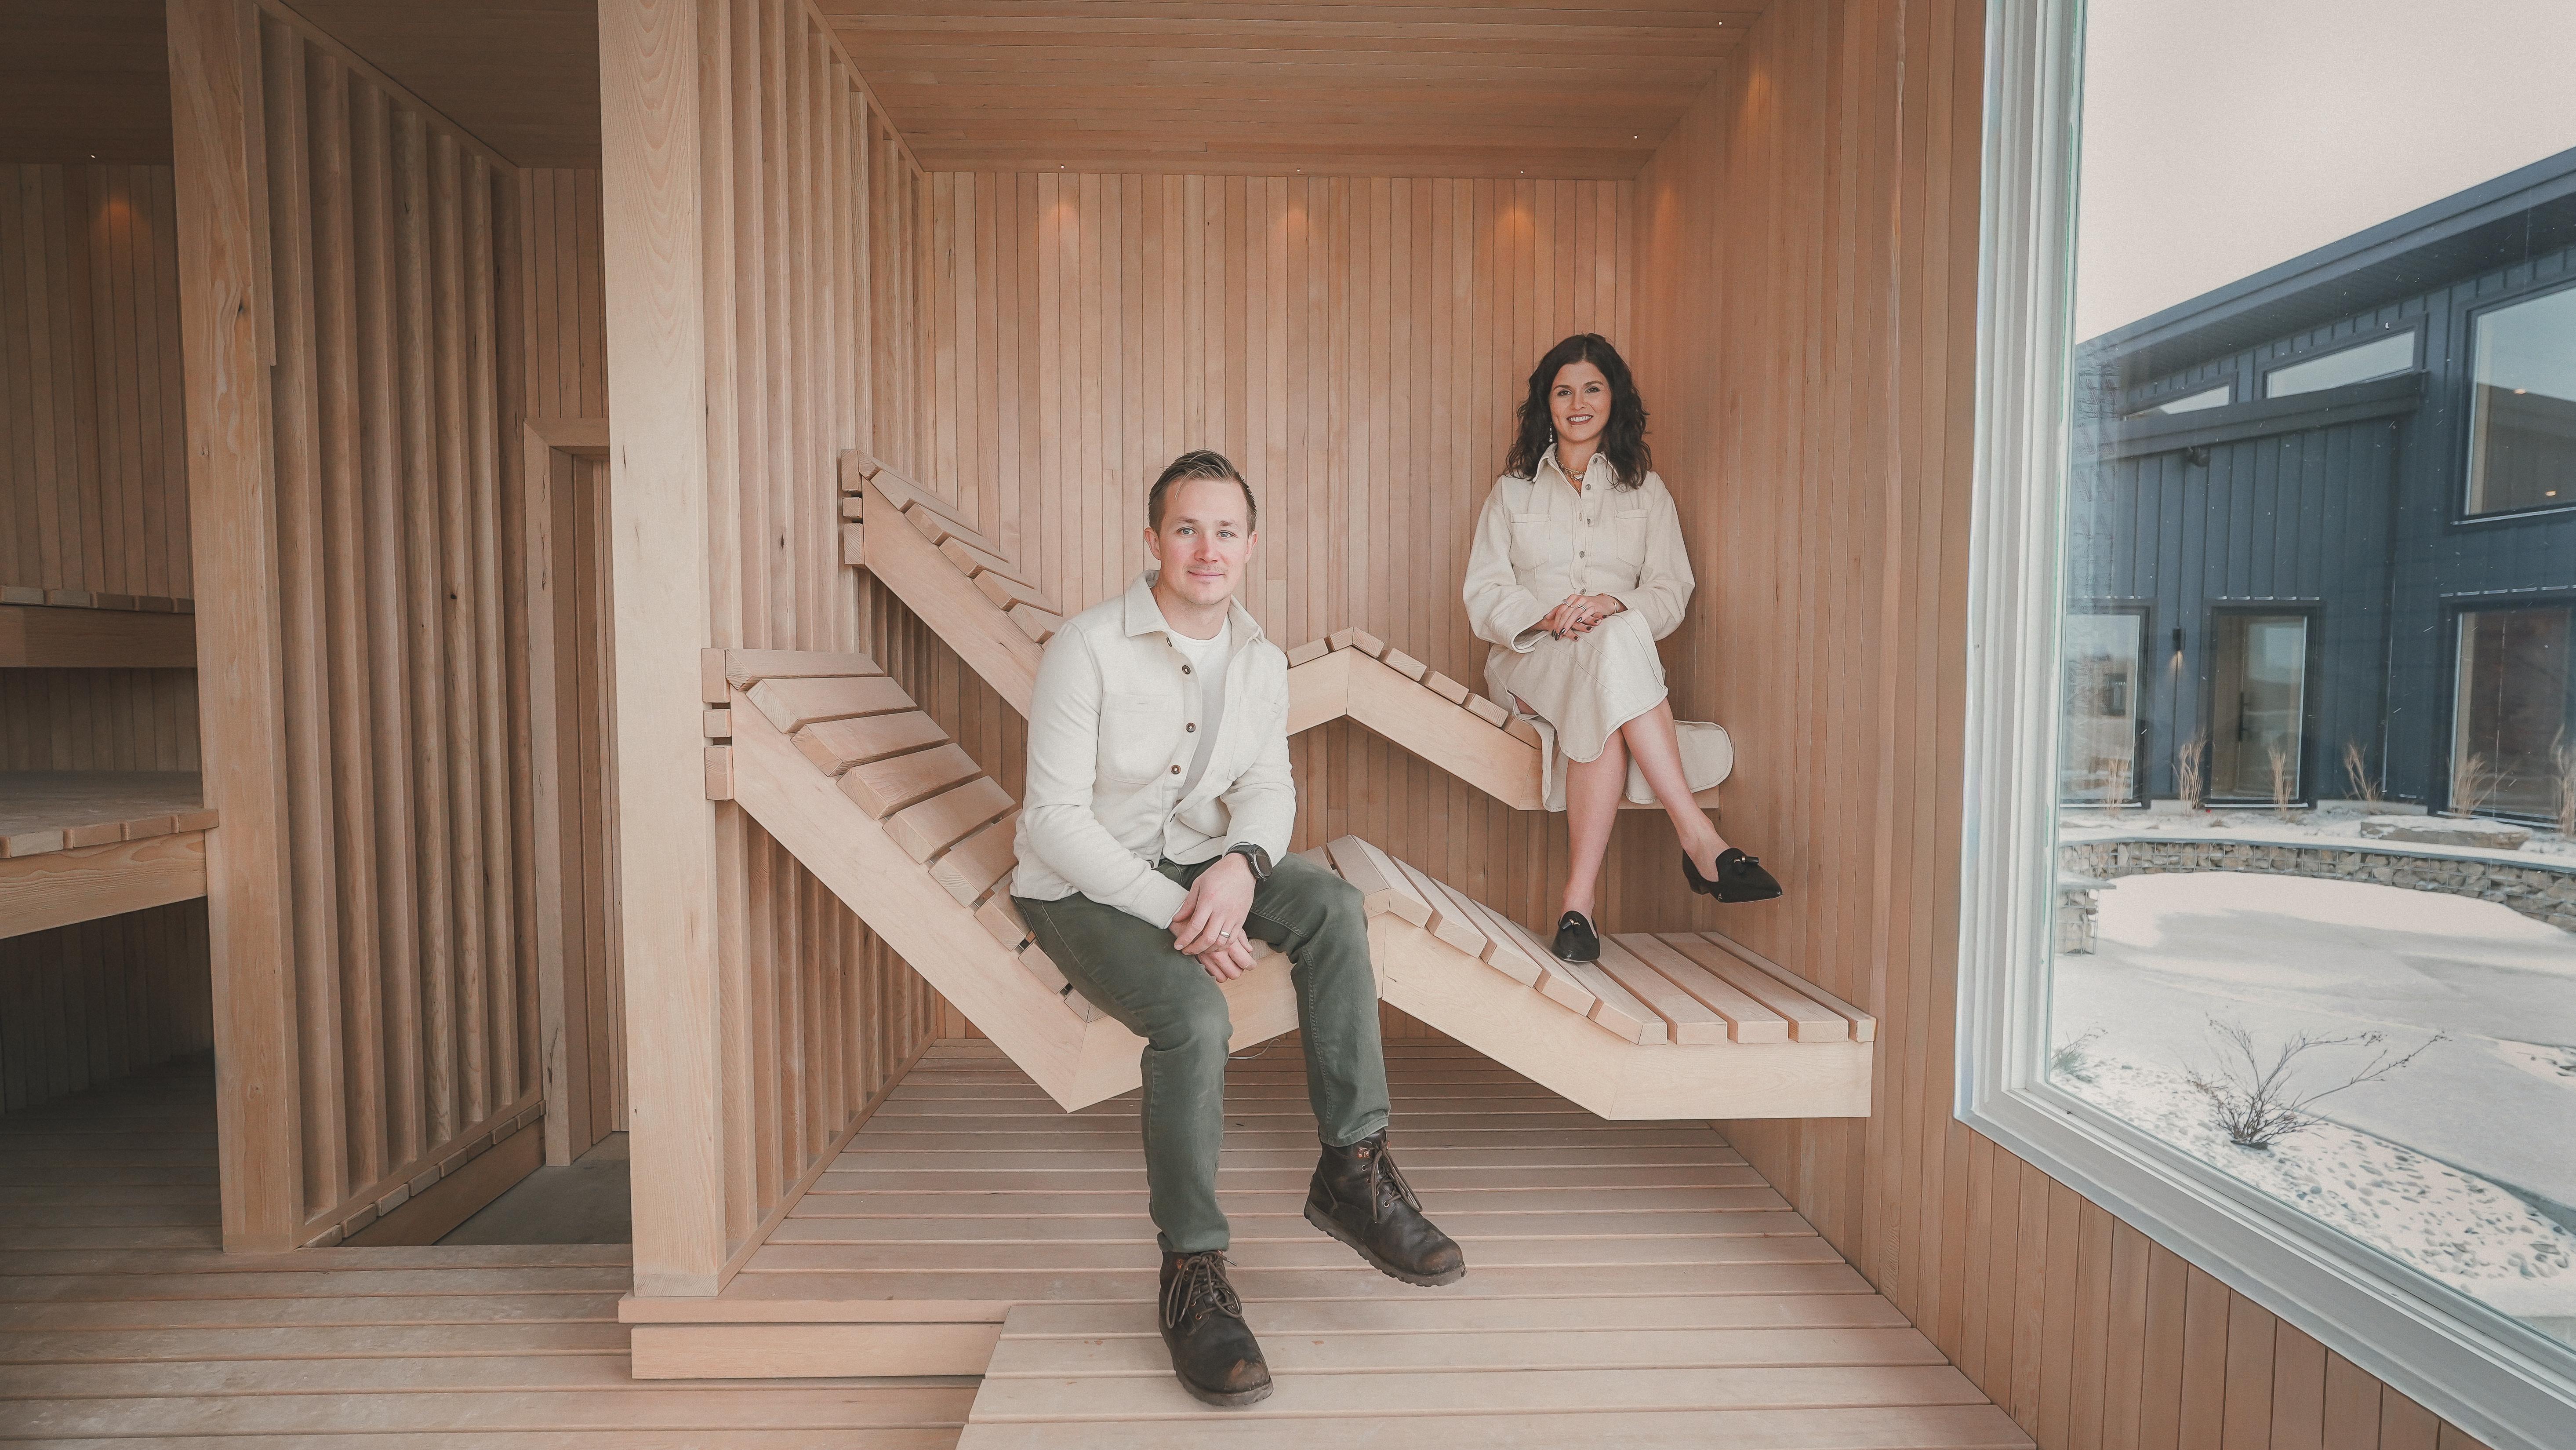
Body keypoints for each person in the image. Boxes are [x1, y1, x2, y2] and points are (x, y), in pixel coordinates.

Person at [1010, 449, 1464, 1409]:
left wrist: (1240, 866)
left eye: (1225, 531)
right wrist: (1182, 907)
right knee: (1192, 1014)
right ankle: (1192, 1271)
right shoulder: (1086, 647)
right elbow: (1053, 820)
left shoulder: (1258, 658)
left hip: (1199, 861)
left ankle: (1353, 1167)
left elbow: (1267, 787)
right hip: (1080, 885)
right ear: (1152, 541)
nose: (1205, 548)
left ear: (1251, 546)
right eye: (1186, 528)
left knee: (1336, 909)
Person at [1463, 334, 1783, 964]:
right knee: (1612, 653)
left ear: (1614, 399)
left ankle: (1576, 907)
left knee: (1613, 652)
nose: (1577, 402)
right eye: (1563, 390)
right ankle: (1697, 837)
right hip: (1530, 660)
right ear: (1545, 404)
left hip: (1607, 665)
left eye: (1591, 388)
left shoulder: (1647, 492)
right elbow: (1484, 594)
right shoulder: (1512, 491)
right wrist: (1547, 616)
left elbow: (1670, 593)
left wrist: (1612, 603)